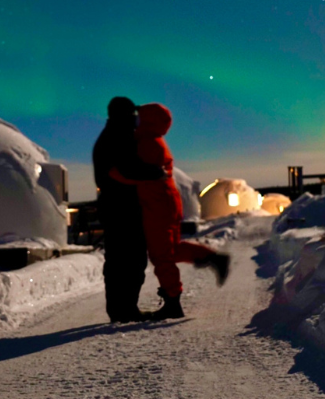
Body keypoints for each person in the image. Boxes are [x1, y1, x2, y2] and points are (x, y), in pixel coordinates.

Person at [110, 101, 230, 320]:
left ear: (148, 120)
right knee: (171, 249)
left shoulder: (148, 143)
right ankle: (211, 258)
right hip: (165, 203)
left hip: (157, 206)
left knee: (162, 255)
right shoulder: (154, 141)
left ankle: (173, 302)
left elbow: (137, 172)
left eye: (140, 115)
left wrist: (114, 173)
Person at [91, 96, 165, 323]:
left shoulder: (110, 135)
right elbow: (127, 169)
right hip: (122, 207)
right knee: (130, 261)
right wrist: (156, 172)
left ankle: (120, 309)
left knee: (118, 261)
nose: (136, 118)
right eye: (132, 114)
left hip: (115, 206)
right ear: (123, 114)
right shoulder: (118, 136)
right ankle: (125, 310)